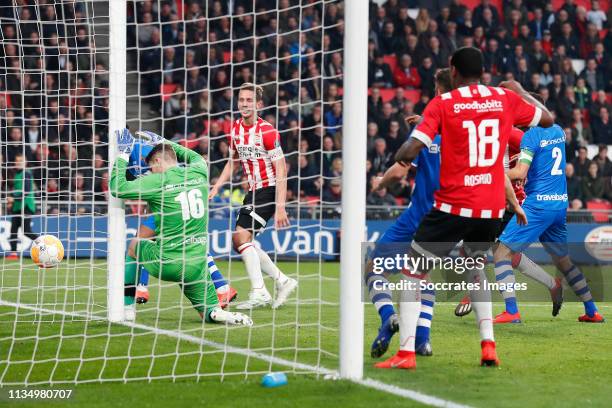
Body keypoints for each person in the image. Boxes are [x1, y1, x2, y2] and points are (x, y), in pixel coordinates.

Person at [377, 47, 553, 370]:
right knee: (476, 269)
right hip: (490, 208)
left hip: (453, 204)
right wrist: (524, 95)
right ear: (483, 71)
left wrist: (402, 152)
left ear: (453, 71)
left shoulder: (443, 103)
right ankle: (488, 346)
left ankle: (405, 354)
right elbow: (548, 119)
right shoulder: (503, 99)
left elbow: (414, 146)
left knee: (413, 270)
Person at [109, 128, 251, 326]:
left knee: (134, 246)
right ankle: (223, 314)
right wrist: (165, 140)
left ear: (158, 161)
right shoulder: (199, 171)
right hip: (196, 266)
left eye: (151, 167)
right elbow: (193, 156)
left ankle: (127, 308)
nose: (150, 171)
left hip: (168, 263)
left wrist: (123, 154)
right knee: (210, 312)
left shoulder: (158, 180)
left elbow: (117, 188)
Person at [365, 68, 451, 360]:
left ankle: (388, 316)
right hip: (450, 220)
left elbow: (401, 166)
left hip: (416, 217)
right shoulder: (468, 127)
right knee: (423, 279)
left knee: (374, 269)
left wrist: (381, 183)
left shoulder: (429, 125)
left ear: (438, 91)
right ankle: (422, 340)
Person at [499, 124, 604, 323]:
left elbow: (520, 172)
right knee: (563, 261)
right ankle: (592, 311)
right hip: (559, 204)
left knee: (501, 253)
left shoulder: (531, 136)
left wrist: (495, 175)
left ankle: (512, 312)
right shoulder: (558, 131)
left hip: (538, 205)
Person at [209, 82, 298, 310]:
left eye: (249, 100)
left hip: (268, 191)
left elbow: (281, 169)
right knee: (241, 241)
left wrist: (280, 206)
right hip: (253, 192)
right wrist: (218, 186)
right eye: (241, 100)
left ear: (258, 104)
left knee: (240, 238)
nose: (244, 104)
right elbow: (233, 162)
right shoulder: (235, 128)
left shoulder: (267, 131)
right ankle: (282, 281)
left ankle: (260, 292)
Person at [126, 140, 237, 308]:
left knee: (139, 242)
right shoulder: (134, 150)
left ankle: (140, 288)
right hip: (170, 202)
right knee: (188, 246)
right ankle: (222, 287)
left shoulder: (138, 148)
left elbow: (153, 173)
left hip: (170, 204)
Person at [7, 154, 38, 259]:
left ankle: (43, 242)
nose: (19, 162)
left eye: (21, 161)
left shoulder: (27, 174)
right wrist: (11, 199)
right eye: (17, 161)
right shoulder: (17, 174)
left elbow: (27, 191)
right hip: (17, 206)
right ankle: (13, 253)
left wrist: (13, 198)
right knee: (13, 230)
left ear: (25, 163)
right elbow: (17, 191)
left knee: (26, 230)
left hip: (26, 206)